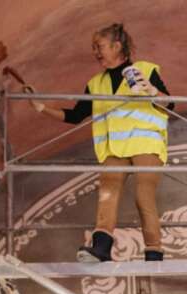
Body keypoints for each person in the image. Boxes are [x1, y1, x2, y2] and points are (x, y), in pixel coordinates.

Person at [31, 23, 173, 262]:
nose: (96, 52)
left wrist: (152, 91)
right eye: (94, 47)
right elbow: (76, 115)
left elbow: (171, 105)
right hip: (114, 149)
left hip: (145, 145)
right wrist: (42, 108)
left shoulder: (145, 71)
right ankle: (101, 248)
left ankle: (154, 252)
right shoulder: (96, 83)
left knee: (143, 196)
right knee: (107, 194)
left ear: (117, 46)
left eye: (99, 46)